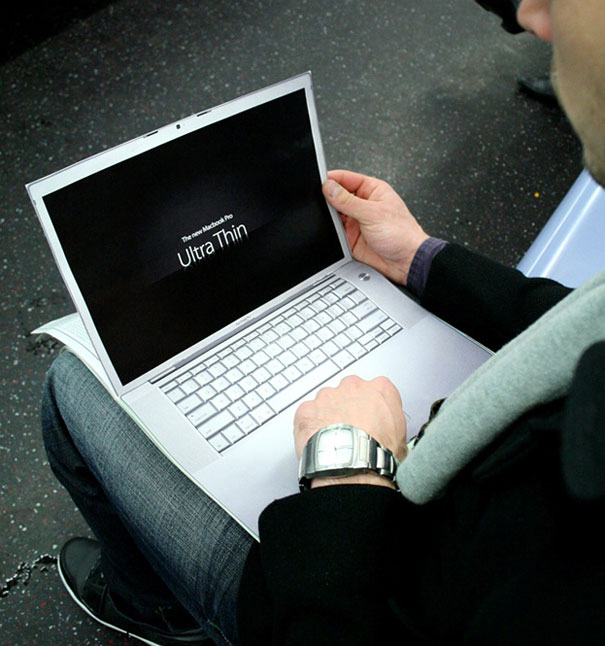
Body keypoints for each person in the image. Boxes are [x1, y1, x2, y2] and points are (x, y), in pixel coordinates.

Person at [42, 1, 605, 644]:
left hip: (328, 579)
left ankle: (152, 606)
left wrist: (345, 471)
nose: (533, 15)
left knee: (70, 383)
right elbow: (578, 325)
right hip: (426, 498)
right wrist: (420, 259)